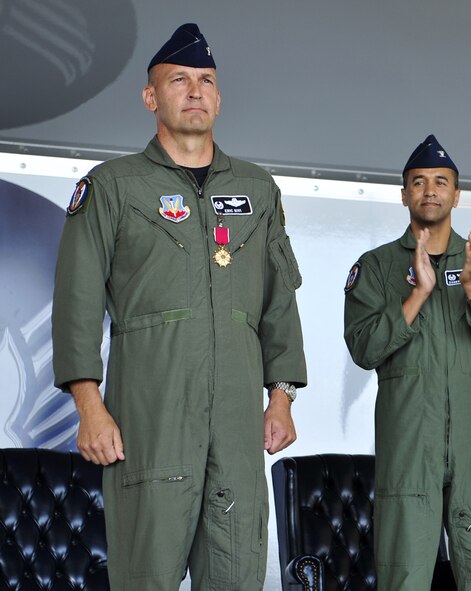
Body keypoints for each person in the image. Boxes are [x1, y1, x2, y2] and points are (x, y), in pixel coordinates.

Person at [51, 23, 307, 590]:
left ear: (218, 97)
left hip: (238, 429)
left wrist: (282, 397)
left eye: (206, 81)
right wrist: (89, 406)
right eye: (179, 80)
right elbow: (77, 299)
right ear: (151, 97)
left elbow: (278, 301)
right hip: (150, 420)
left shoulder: (258, 191)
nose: (195, 91)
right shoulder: (113, 187)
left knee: (237, 576)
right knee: (147, 578)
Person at [343, 134, 471, 591]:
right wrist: (419, 293)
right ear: (404, 193)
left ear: (457, 194)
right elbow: (364, 348)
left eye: (441, 182)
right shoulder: (376, 266)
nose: (430, 190)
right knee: (403, 575)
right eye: (420, 182)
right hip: (409, 446)